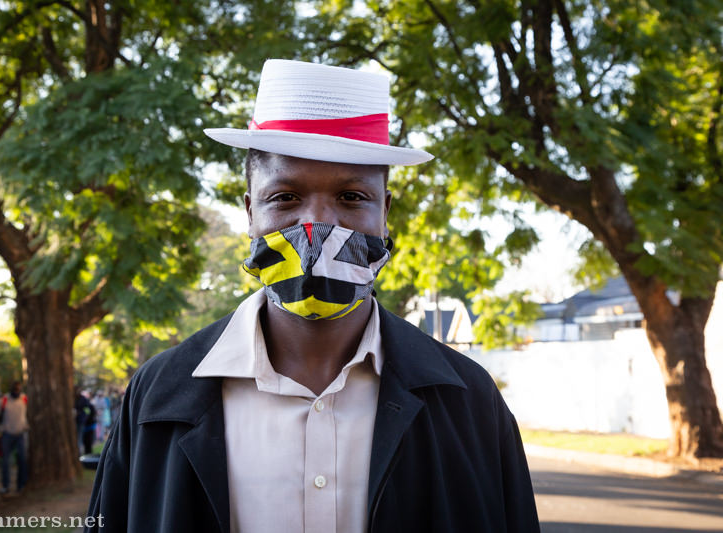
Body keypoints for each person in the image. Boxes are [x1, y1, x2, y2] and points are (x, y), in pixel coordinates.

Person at [87, 59, 540, 532]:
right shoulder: (156, 397)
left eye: (351, 198)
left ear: (384, 212)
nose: (318, 227)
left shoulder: (468, 402)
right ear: (250, 211)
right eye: (285, 197)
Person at [0, 381, 28, 495]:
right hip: (7, 434)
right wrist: (0, 428)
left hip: (21, 434)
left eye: (18, 390)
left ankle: (21, 485)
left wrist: (27, 425)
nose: (17, 392)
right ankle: (5, 485)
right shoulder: (3, 400)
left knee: (22, 459)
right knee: (5, 461)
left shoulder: (24, 399)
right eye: (15, 390)